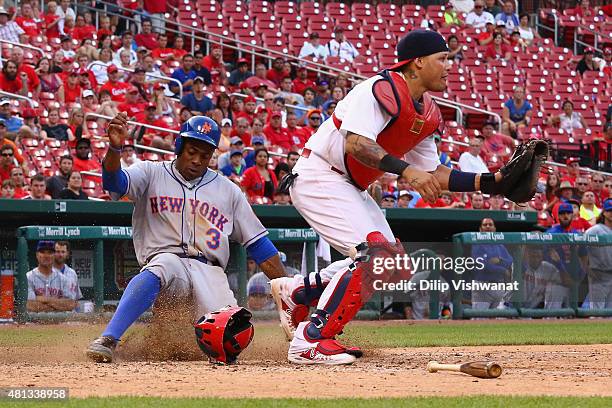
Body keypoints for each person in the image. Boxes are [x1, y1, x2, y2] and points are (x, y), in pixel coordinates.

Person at [268, 30, 539, 364]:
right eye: (442, 58)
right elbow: (356, 143)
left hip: (349, 184)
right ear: (418, 62)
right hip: (320, 174)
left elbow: (435, 173)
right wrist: (406, 172)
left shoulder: (426, 112)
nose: (448, 66)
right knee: (376, 255)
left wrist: (492, 182)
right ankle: (310, 340)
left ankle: (296, 292)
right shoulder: (378, 89)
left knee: (393, 266)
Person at [85, 113, 287, 363]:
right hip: (170, 265)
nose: (197, 160)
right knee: (161, 267)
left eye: (205, 155)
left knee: (232, 337)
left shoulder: (228, 190)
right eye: (192, 151)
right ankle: (109, 338)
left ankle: (179, 348)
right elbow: (114, 182)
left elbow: (259, 245)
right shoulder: (151, 173)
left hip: (210, 273)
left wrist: (287, 289)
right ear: (179, 146)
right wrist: (115, 149)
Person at [470, 218, 513, 310]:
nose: (488, 226)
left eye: (490, 224)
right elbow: (483, 265)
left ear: (495, 229)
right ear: (480, 229)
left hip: (499, 285)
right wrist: (503, 269)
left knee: (498, 320)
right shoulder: (477, 244)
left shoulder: (499, 245)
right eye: (485, 225)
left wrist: (500, 261)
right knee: (479, 318)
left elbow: (509, 260)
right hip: (482, 286)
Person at [26, 241, 79, 312]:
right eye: (42, 252)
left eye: (50, 253)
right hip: (33, 322)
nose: (46, 255)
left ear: (54, 255)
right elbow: (29, 305)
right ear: (37, 255)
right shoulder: (29, 277)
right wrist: (57, 303)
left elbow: (70, 304)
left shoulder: (63, 279)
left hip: (59, 322)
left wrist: (41, 299)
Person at [584, 199, 612, 309]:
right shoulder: (594, 231)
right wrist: (586, 267)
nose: (611, 213)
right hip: (598, 274)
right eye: (609, 210)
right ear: (604, 212)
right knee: (597, 310)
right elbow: (581, 248)